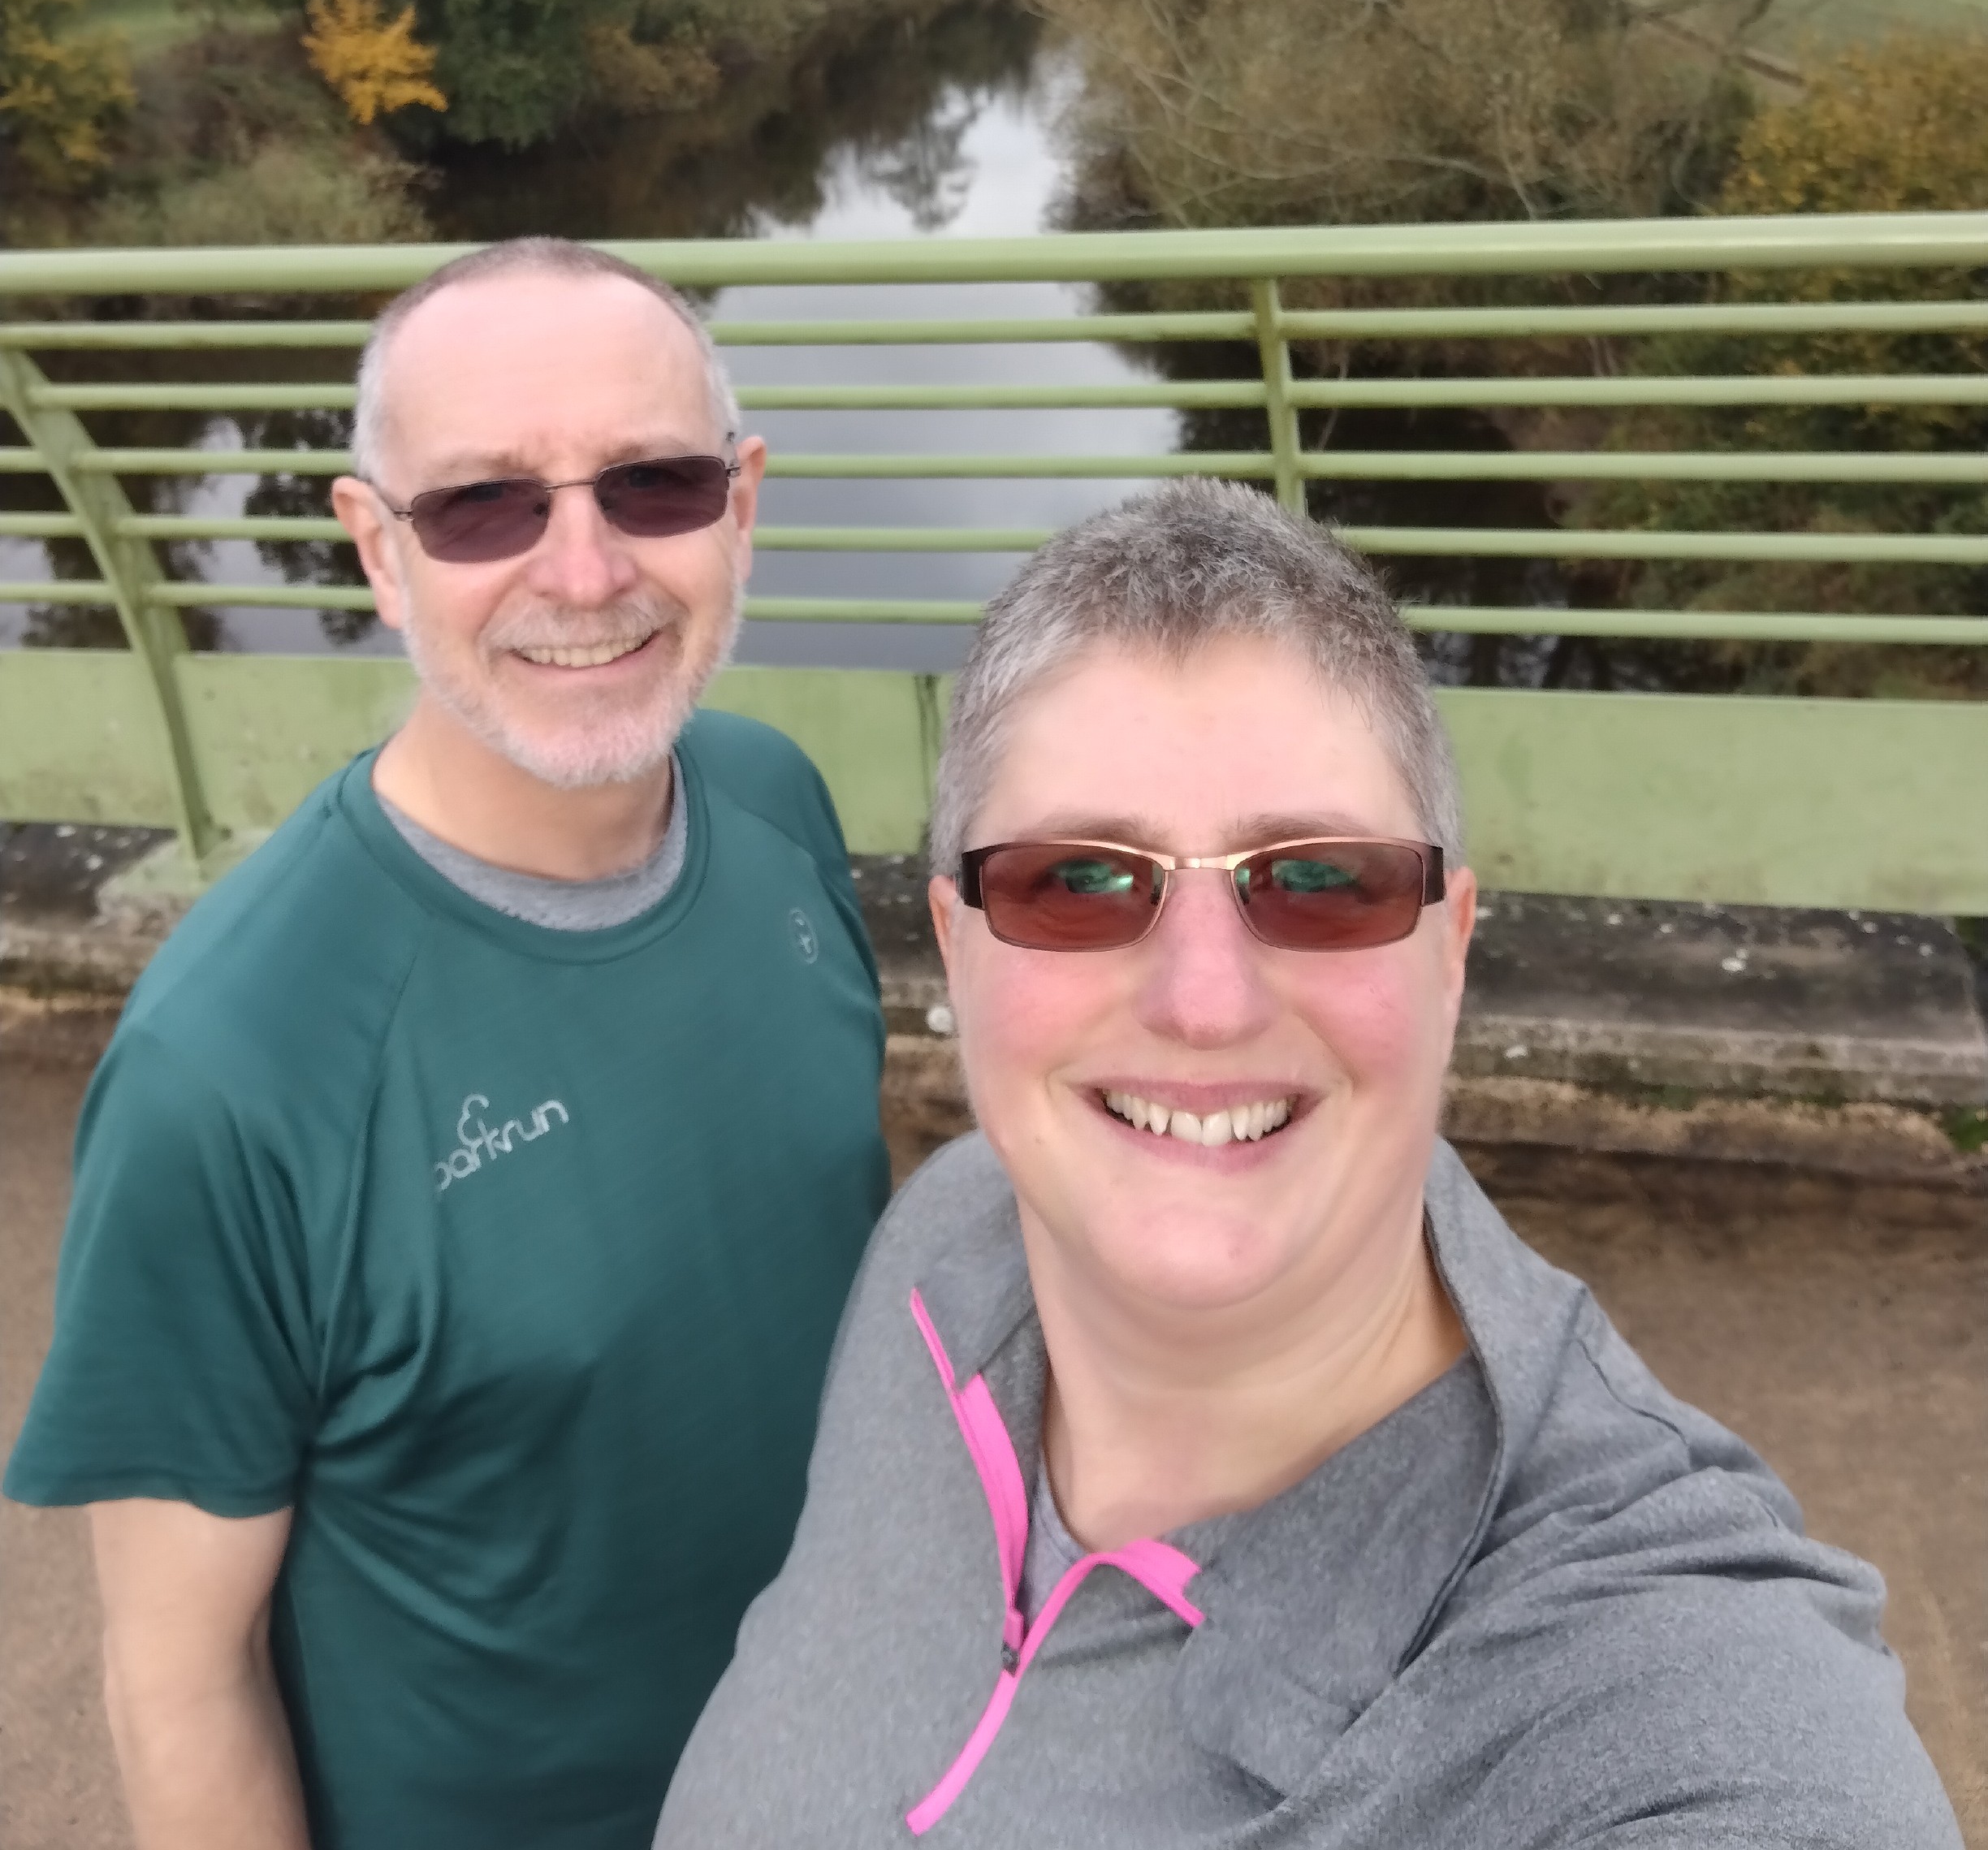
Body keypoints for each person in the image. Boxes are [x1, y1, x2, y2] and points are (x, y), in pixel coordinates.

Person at [656, 478, 1960, 1850]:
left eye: (1322, 881)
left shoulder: (1649, 1693)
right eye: (1082, 882)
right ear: (961, 945)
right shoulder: (951, 1231)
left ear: (1450, 951)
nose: (1205, 1001)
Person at [6, 238, 889, 1850]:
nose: (583, 570)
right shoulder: (230, 1072)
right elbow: (178, 1677)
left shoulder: (772, 803)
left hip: (860, 1769)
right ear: (377, 549)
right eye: (485, 506)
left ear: (741, 503)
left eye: (654, 484)